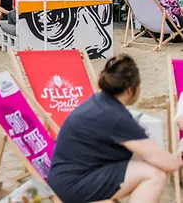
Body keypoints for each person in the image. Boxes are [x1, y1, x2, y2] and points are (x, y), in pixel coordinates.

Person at [47, 54, 181, 203]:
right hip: (73, 186)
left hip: (64, 177)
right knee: (154, 175)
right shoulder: (116, 117)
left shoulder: (99, 102)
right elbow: (168, 163)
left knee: (142, 161)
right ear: (130, 90)